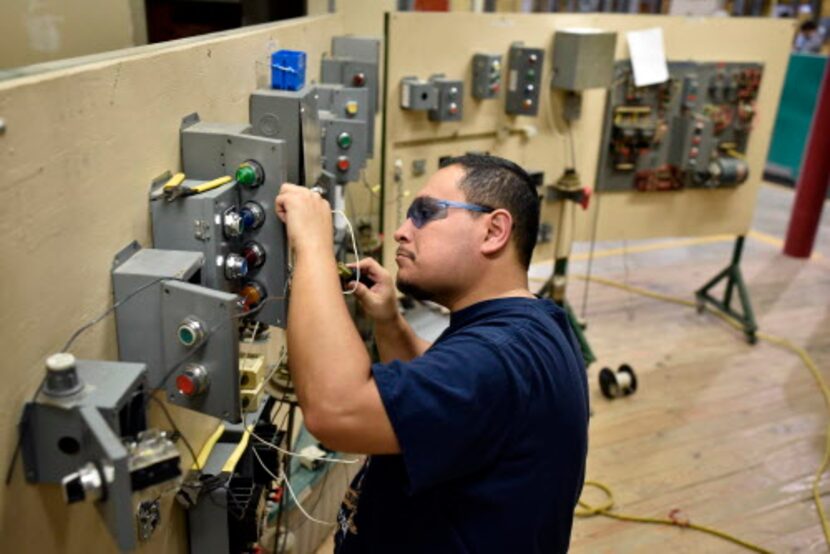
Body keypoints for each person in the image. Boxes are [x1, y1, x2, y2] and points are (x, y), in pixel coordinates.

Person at [274, 154, 589, 553]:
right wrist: (390, 323)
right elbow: (449, 395)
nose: (403, 231)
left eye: (425, 213)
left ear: (494, 231)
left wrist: (313, 245)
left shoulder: (497, 357)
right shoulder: (531, 325)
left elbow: (336, 409)